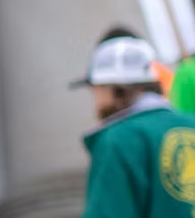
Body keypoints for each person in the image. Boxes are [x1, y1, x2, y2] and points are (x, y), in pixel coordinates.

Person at [74, 29, 195, 217]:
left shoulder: (118, 140)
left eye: (95, 88)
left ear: (112, 88)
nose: (95, 98)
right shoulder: (191, 123)